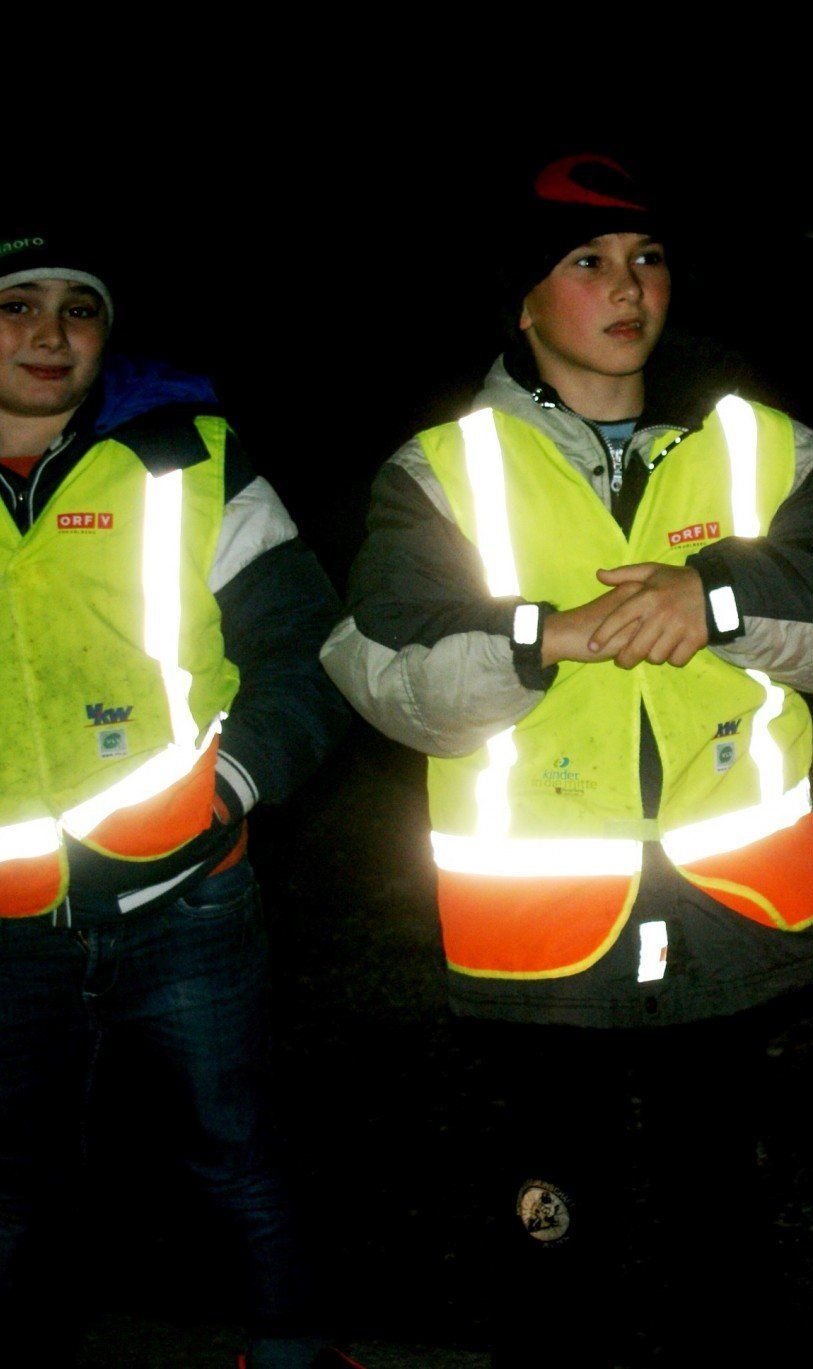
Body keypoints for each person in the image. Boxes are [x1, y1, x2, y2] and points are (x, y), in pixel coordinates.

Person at [320, 152, 813, 1364]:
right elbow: (383, 678)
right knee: (550, 1244)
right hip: (536, 942)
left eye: (646, 259)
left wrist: (720, 597)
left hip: (736, 917)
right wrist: (544, 637)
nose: (626, 287)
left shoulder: (764, 446)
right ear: (522, 301)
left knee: (723, 1233)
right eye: (585, 262)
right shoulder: (440, 472)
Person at [0, 231, 352, 1366]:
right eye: (15, 304)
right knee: (15, 1191)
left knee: (240, 1156)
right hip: (4, 930)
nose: (50, 335)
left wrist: (233, 788)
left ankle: (294, 1355)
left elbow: (308, 648)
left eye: (78, 308)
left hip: (188, 904)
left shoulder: (191, 458)